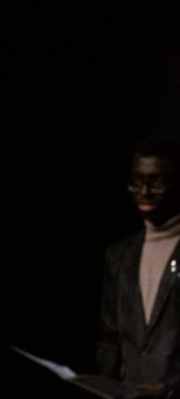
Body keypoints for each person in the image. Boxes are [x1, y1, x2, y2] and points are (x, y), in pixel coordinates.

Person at [97, 136, 180, 397]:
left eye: (156, 181)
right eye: (137, 182)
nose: (144, 191)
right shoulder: (119, 256)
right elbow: (110, 339)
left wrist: (170, 389)